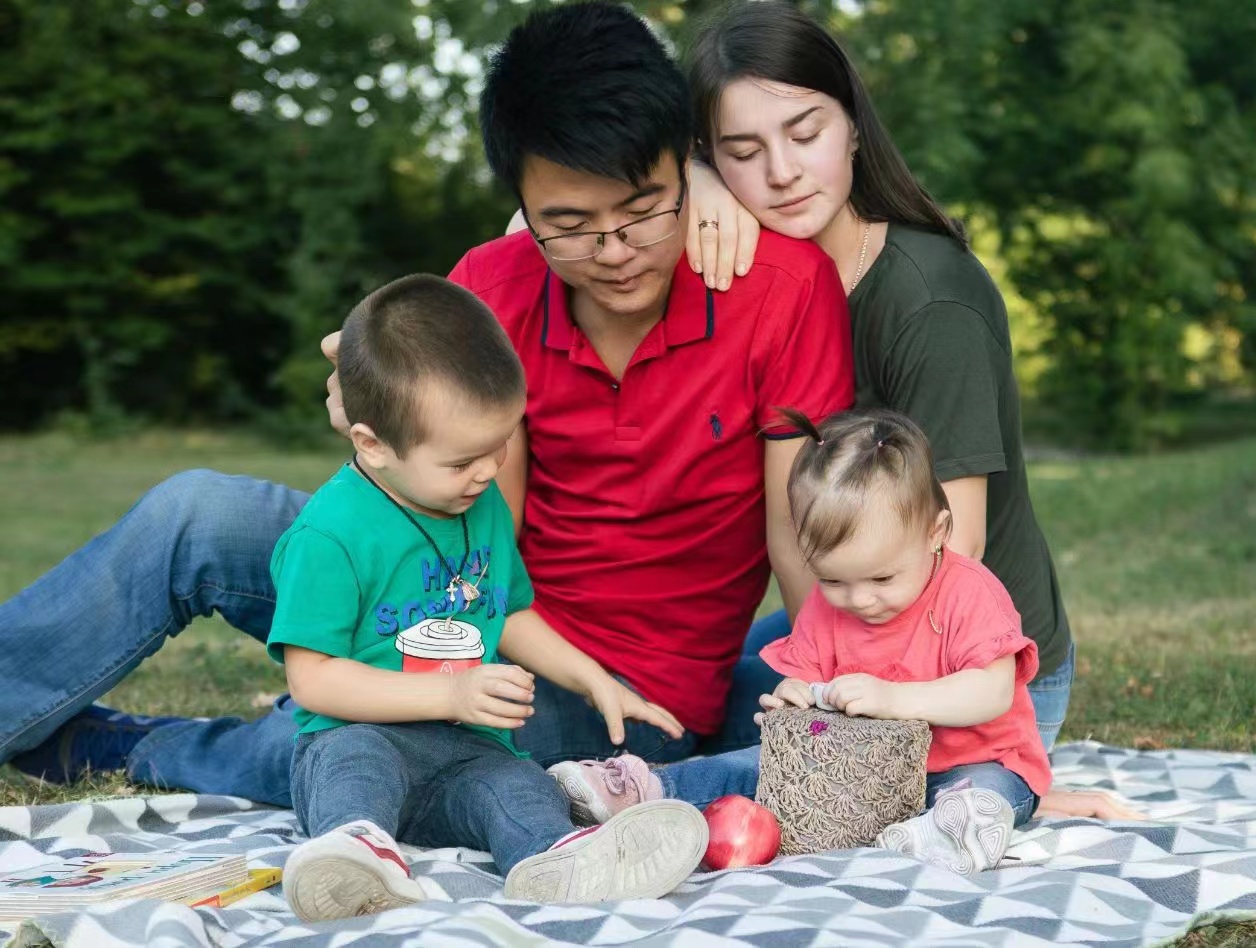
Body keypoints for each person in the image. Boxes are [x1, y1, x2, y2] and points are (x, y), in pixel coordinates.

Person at [0, 2, 853, 807]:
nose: (615, 252)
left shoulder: (782, 290)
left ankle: (130, 748)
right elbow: (453, 516)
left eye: (641, 213)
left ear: (684, 166)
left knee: (362, 743)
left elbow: (793, 527)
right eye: (571, 225)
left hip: (612, 687)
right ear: (521, 203)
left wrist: (827, 684)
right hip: (457, 592)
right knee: (196, 513)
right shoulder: (491, 285)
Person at [674, 1, 1078, 760]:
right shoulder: (750, 275)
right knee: (684, 706)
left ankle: (1019, 789)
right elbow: (548, 226)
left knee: (755, 764)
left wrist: (827, 702)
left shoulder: (932, 305)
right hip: (856, 618)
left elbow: (953, 551)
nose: (782, 172)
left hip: (975, 669)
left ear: (853, 124)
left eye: (805, 133)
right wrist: (693, 179)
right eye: (742, 151)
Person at [273, 273, 706, 919]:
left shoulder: (479, 504)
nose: (486, 470)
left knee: (517, 784)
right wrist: (448, 693)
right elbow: (313, 681)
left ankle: (561, 859)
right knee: (351, 762)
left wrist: (593, 678)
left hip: (470, 747)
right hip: (363, 733)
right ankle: (356, 851)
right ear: (372, 444)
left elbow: (508, 613)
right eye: (459, 461)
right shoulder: (330, 534)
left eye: (498, 445)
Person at [549, 408, 1052, 877]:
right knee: (760, 762)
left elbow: (992, 693)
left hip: (967, 764)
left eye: (882, 579)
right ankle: (645, 792)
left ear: (936, 532)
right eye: (834, 581)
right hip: (851, 769)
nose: (859, 600)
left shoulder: (968, 592)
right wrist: (795, 700)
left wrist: (894, 699)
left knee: (988, 791)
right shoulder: (829, 605)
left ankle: (956, 831)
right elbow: (809, 681)